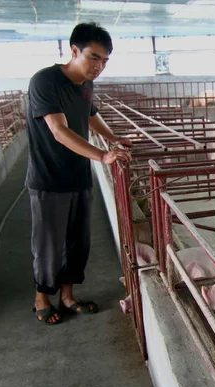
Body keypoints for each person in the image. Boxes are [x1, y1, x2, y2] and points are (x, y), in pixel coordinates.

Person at [25, 22, 132, 324]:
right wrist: (102, 155)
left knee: (77, 241)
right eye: (94, 57)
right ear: (74, 50)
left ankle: (68, 296)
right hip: (48, 178)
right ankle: (41, 298)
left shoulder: (86, 83)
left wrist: (113, 139)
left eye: (105, 61)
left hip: (78, 175)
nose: (99, 67)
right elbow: (59, 131)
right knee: (48, 241)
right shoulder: (45, 81)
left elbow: (90, 115)